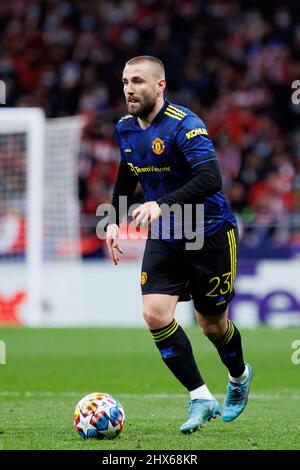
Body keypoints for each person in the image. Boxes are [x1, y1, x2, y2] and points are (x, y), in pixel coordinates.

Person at [106, 55, 253, 434]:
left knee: (211, 325)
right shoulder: (125, 129)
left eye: (137, 81)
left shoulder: (186, 126)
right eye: (125, 81)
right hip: (167, 234)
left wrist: (161, 203)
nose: (128, 88)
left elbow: (212, 180)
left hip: (209, 233)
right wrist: (110, 222)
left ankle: (238, 376)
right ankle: (201, 397)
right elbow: (127, 175)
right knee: (155, 314)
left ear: (159, 86)